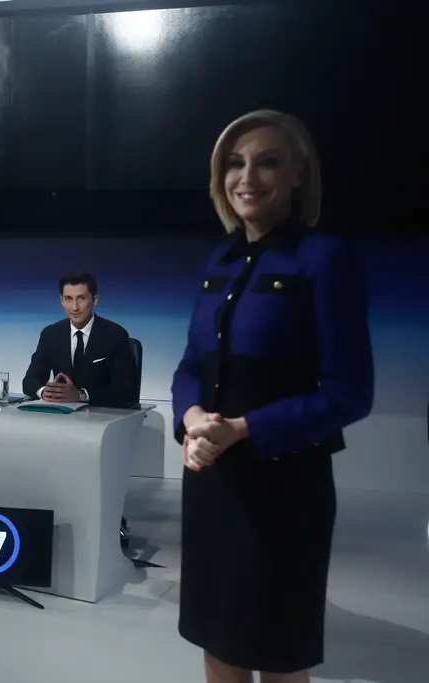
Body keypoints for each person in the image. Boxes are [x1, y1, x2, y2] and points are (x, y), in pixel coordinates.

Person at [171, 110, 374, 683]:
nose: (247, 177)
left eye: (267, 162)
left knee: (278, 656)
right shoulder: (219, 259)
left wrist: (242, 429)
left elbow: (350, 393)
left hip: (285, 490)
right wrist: (191, 420)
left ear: (298, 173)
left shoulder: (325, 256)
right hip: (212, 482)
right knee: (218, 645)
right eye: (234, 163)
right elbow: (191, 366)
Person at [21, 269, 138, 407]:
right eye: (68, 299)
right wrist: (44, 392)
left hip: (102, 414)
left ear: (94, 300)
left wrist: (81, 395)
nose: (75, 307)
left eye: (81, 298)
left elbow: (126, 390)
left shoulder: (115, 335)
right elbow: (30, 381)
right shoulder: (50, 334)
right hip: (61, 414)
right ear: (62, 301)